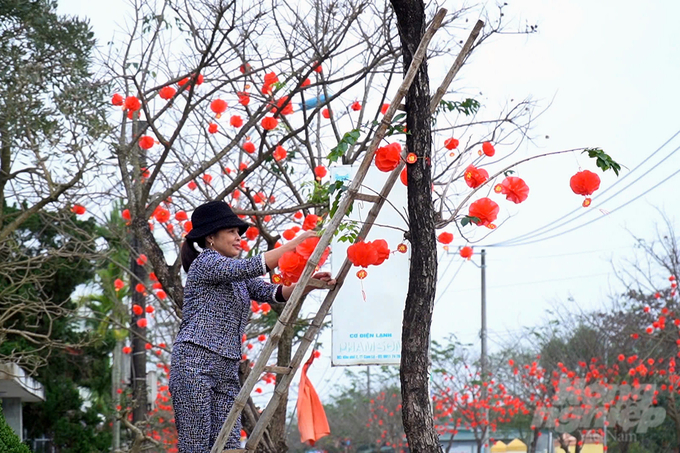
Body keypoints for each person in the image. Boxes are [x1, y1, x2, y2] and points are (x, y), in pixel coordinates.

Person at [169, 200, 334, 452]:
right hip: (195, 363)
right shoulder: (207, 263)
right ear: (211, 238)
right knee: (196, 445)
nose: (238, 238)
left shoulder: (236, 276)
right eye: (232, 232)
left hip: (226, 368)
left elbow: (271, 292)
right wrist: (292, 245)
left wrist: (307, 284)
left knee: (228, 444)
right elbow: (250, 266)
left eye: (239, 233)